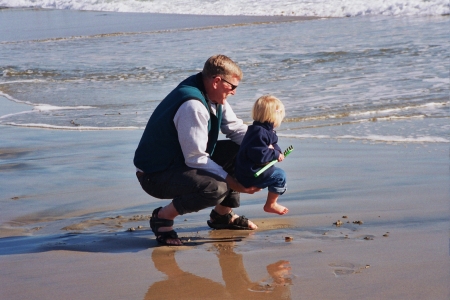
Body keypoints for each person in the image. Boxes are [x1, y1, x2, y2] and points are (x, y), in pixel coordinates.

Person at [134, 54, 261, 246]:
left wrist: (264, 147)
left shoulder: (213, 94)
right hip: (155, 175)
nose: (234, 92)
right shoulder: (193, 106)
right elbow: (196, 158)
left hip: (179, 161)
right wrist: (234, 183)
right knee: (216, 187)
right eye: (232, 87)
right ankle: (162, 219)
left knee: (244, 151)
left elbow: (234, 128)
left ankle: (222, 216)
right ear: (217, 81)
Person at [235, 95, 288, 215]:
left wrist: (277, 152)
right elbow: (260, 155)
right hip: (249, 173)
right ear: (273, 116)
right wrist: (273, 153)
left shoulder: (265, 131)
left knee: (277, 172)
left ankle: (271, 202)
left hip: (252, 169)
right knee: (280, 176)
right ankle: (271, 204)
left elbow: (273, 144)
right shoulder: (258, 132)